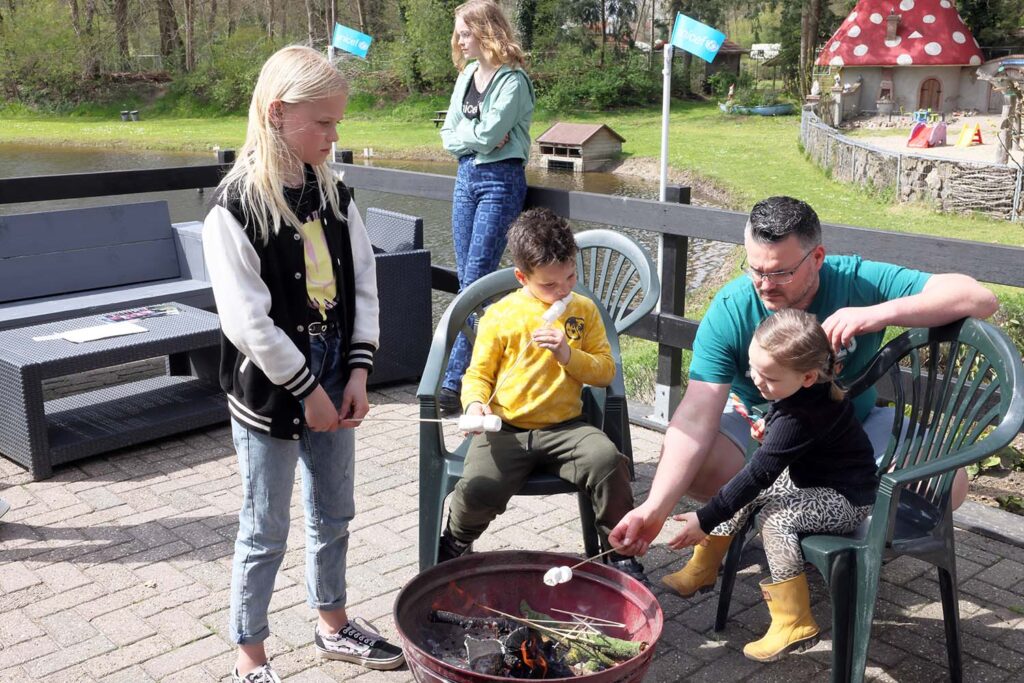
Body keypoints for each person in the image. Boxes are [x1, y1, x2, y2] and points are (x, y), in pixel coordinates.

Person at [610, 195, 998, 559]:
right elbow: (695, 414)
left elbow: (978, 299)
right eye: (756, 270)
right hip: (763, 433)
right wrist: (655, 507)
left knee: (948, 484)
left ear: (817, 257)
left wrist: (877, 314)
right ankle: (778, 519)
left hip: (851, 428)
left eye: (781, 273)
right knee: (699, 462)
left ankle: (827, 533)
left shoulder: (858, 281)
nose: (764, 285)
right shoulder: (731, 308)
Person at [202, 45, 403, 683]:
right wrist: (308, 390)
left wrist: (359, 373)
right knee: (265, 528)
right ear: (278, 112)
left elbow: (362, 283)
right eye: (323, 123)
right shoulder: (232, 210)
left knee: (335, 511)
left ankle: (333, 624)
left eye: (337, 122)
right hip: (273, 392)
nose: (333, 135)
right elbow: (246, 321)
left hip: (336, 373)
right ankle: (249, 656)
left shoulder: (334, 195)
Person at [437, 208, 647, 584]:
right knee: (478, 488)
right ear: (522, 277)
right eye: (549, 285)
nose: (563, 290)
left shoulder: (582, 311)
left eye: (570, 277)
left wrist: (568, 354)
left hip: (566, 427)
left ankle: (619, 552)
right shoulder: (501, 316)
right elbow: (478, 375)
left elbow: (605, 370)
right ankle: (456, 540)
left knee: (608, 462)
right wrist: (474, 403)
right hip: (506, 429)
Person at [663, 309, 878, 662]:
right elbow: (787, 424)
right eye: (752, 369)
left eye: (770, 378)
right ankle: (704, 567)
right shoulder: (806, 391)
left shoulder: (802, 414)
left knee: (775, 520)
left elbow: (760, 471)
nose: (758, 382)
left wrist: (704, 517)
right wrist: (770, 424)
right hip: (814, 482)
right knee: (750, 492)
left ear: (808, 376)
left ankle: (794, 620)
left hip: (848, 499)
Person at [437, 0, 536, 417]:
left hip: (500, 180)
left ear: (486, 31)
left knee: (475, 280)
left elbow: (495, 131)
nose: (459, 39)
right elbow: (447, 134)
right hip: (466, 179)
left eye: (465, 31)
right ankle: (496, 370)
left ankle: (453, 380)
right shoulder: (465, 78)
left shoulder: (513, 81)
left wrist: (475, 135)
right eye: (458, 33)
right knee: (470, 281)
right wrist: (475, 138)